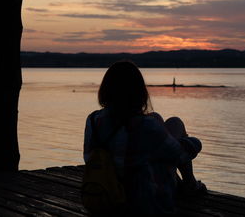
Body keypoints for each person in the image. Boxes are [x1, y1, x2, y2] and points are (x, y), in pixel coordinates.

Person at [83, 60, 207, 215]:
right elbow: (179, 155)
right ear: (138, 91)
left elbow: (88, 157)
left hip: (103, 190)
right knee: (176, 123)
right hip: (142, 202)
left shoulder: (93, 120)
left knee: (157, 117)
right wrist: (194, 142)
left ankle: (187, 184)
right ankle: (190, 185)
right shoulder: (144, 125)